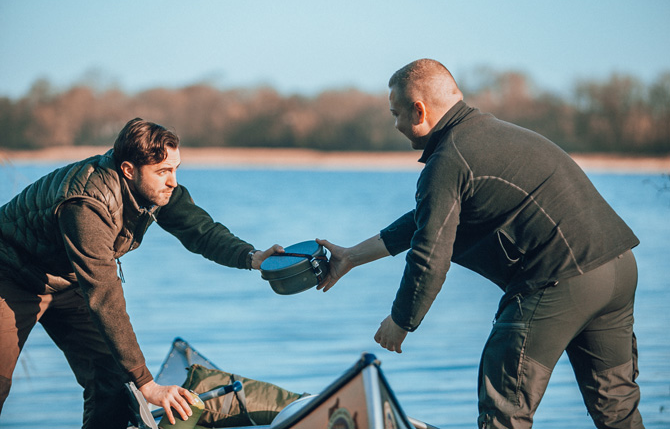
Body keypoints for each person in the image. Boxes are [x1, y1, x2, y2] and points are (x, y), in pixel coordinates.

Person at [316, 59, 644, 428]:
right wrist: (352, 257)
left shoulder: (448, 160)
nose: (394, 123)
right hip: (618, 267)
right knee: (617, 409)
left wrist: (401, 320)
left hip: (560, 278)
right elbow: (425, 223)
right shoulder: (490, 134)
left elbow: (429, 257)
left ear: (419, 110)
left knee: (504, 407)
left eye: (396, 113)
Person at [0, 118, 284, 428]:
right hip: (10, 276)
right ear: (128, 170)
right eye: (163, 172)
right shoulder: (86, 204)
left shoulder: (156, 190)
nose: (172, 181)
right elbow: (104, 296)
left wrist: (252, 257)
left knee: (115, 383)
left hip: (67, 280)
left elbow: (201, 231)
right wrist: (148, 384)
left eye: (175, 169)